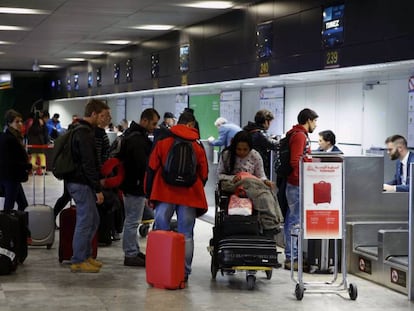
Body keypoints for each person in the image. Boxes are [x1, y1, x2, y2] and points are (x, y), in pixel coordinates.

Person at [145, 111, 208, 281]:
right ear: (191, 125)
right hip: (188, 196)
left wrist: (149, 193)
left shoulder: (163, 141)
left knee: (161, 230)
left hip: (164, 192)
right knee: (186, 234)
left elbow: (151, 168)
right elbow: (204, 173)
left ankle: (162, 268)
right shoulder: (197, 146)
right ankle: (184, 273)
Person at [64, 99, 107, 273]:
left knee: (93, 219)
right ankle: (78, 259)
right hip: (81, 183)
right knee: (85, 220)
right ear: (94, 114)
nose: (106, 119)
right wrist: (97, 188)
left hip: (81, 181)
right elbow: (89, 164)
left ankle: (86, 255)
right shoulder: (84, 133)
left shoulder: (84, 130)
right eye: (103, 115)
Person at [120, 108, 160, 266]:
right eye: (153, 123)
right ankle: (130, 254)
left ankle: (134, 250)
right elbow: (140, 164)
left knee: (133, 219)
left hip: (132, 184)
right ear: (144, 121)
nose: (155, 126)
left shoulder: (134, 135)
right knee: (132, 221)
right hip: (134, 185)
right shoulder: (137, 139)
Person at [284, 108, 318, 270]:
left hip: (295, 183)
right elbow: (295, 160)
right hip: (296, 184)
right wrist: (301, 180)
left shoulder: (298, 134)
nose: (316, 125)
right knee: (294, 221)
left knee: (292, 218)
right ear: (308, 120)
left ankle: (292, 255)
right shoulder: (299, 136)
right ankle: (292, 257)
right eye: (315, 121)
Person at [0, 109, 32, 211]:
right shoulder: (9, 139)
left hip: (12, 177)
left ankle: (20, 226)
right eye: (17, 121)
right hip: (10, 177)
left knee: (23, 205)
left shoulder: (14, 137)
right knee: (8, 208)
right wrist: (29, 166)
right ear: (9, 123)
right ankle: (6, 226)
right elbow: (11, 162)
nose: (20, 124)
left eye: (21, 121)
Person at [243, 109, 278, 179]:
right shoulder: (259, 134)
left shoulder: (247, 130)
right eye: (270, 122)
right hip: (258, 166)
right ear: (266, 121)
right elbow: (273, 145)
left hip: (246, 165)